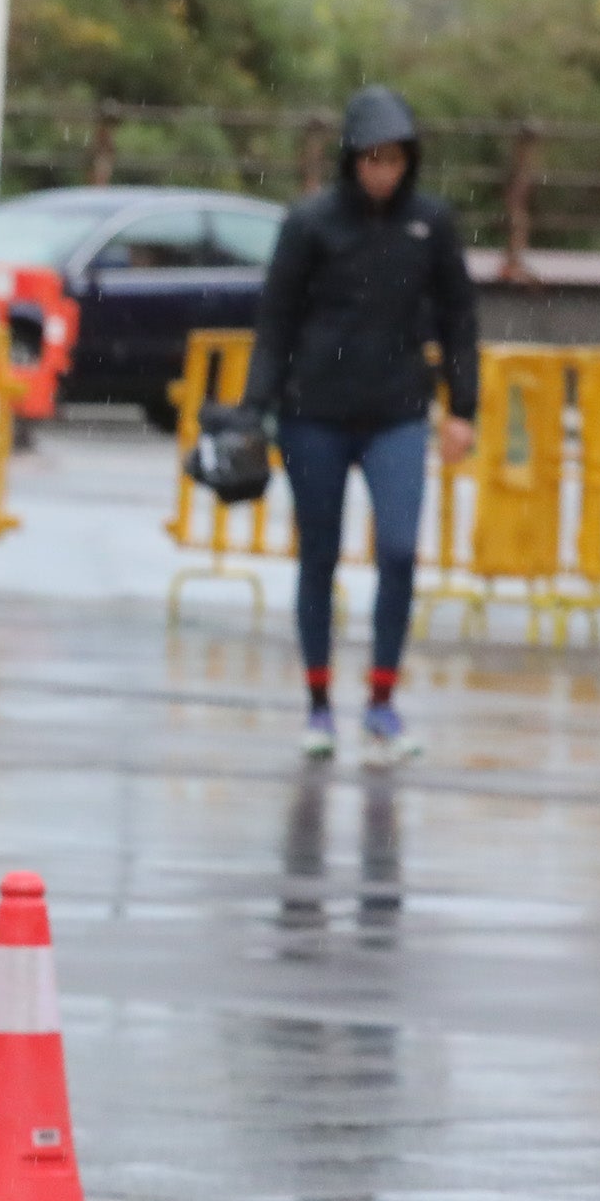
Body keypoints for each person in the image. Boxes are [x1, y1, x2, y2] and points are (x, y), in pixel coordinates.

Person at [245, 83, 478, 765]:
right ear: (351, 159)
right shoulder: (311, 223)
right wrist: (253, 409)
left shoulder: (430, 225)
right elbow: (275, 323)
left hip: (397, 412)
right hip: (313, 411)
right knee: (318, 555)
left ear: (411, 161)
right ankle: (319, 704)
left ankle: (382, 702)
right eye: (371, 158)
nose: (383, 172)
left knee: (400, 549)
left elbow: (460, 318)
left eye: (395, 159)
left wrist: (463, 407)